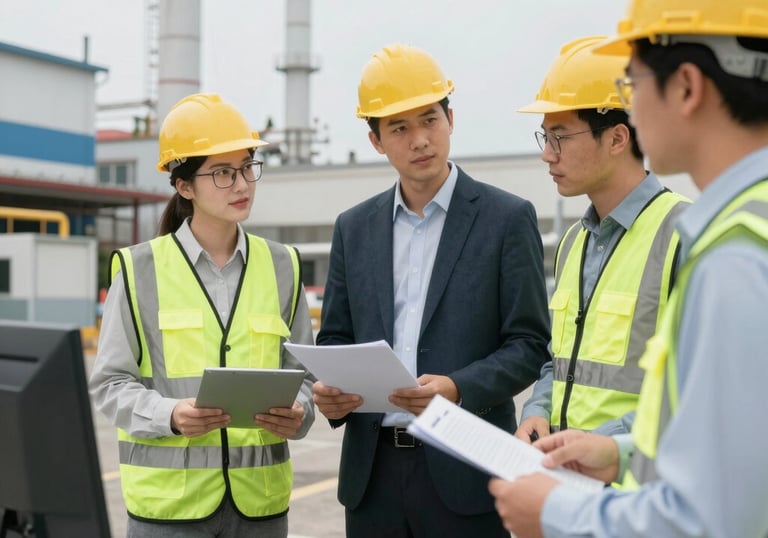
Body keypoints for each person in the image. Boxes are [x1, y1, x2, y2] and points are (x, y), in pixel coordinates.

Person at [489, 2, 768, 537]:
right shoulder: (579, 241)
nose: (632, 106)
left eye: (634, 81)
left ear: (686, 86)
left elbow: (711, 517)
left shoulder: (728, 254)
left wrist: (553, 512)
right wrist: (620, 452)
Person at [311, 43, 551, 537]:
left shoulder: (506, 219)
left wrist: (457, 388)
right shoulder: (353, 228)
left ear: (451, 118)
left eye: (430, 120)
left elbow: (529, 346)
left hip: (466, 471)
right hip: (371, 478)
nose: (420, 139)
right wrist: (331, 394)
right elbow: (334, 338)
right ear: (376, 140)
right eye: (399, 128)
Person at [89, 93, 316, 538]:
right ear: (184, 186)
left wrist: (300, 411)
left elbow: (304, 375)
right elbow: (109, 384)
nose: (242, 184)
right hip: (169, 510)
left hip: (261, 507)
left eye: (248, 167)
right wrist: (169, 414)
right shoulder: (139, 270)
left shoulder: (283, 265)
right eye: (223, 173)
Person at [514, 36, 690, 442]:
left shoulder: (685, 234)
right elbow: (560, 362)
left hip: (636, 486)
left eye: (560, 136)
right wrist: (537, 409)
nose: (547, 154)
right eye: (545, 136)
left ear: (616, 138)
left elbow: (696, 388)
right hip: (568, 478)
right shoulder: (573, 242)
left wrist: (607, 444)